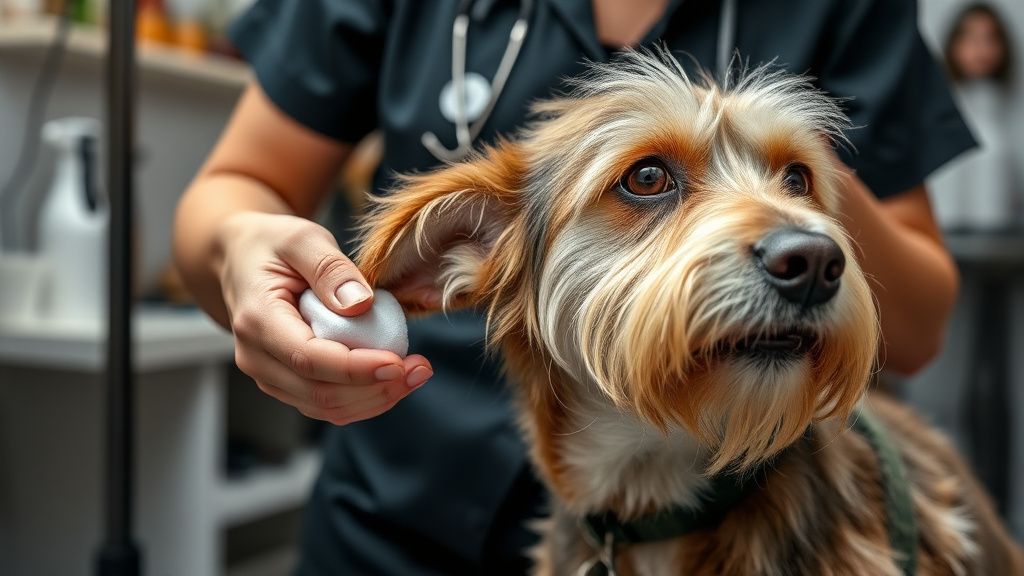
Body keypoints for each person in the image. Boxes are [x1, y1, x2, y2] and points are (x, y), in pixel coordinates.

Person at [173, 0, 971, 573]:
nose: (804, 246)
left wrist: (798, 166)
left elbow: (920, 323)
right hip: (398, 514)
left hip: (769, 509)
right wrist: (242, 250)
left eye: (794, 184)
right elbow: (240, 183)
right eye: (650, 179)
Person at [930, 2, 1019, 230]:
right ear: (953, 43)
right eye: (970, 38)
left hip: (997, 237)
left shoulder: (1004, 113)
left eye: (990, 38)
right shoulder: (939, 113)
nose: (981, 49)